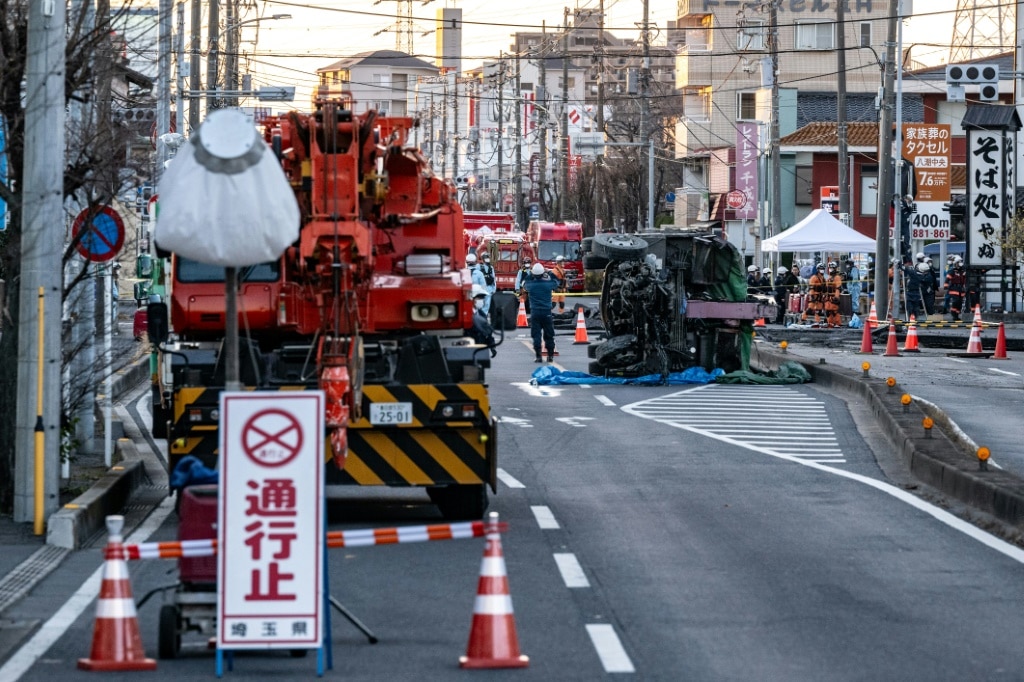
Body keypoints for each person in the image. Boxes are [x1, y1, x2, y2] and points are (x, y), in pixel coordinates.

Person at [523, 262, 560, 362]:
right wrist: (549, 273)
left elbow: (524, 283)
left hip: (535, 312)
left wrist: (531, 274)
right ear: (542, 273)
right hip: (546, 312)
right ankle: (550, 356)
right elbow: (557, 282)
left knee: (536, 335)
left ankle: (538, 356)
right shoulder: (548, 284)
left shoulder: (531, 285)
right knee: (549, 334)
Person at [468, 284, 498, 357]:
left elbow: (487, 334)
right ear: (472, 298)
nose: (482, 300)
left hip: (480, 351)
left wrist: (492, 346)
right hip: (467, 351)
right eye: (479, 297)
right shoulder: (466, 315)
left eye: (483, 297)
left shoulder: (482, 315)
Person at [823, 261, 844, 327]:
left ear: (835, 269)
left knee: (834, 311)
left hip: (833, 297)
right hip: (828, 298)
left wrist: (836, 297)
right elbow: (826, 288)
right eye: (830, 268)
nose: (830, 269)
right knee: (828, 312)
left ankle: (837, 323)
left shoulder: (837, 278)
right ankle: (830, 323)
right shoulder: (829, 278)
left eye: (832, 268)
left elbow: (838, 288)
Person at [478, 252, 496, 317]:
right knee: (480, 304)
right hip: (481, 289)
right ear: (483, 259)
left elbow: (493, 278)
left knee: (487, 304)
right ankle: (480, 316)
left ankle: (484, 317)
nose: (487, 259)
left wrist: (494, 288)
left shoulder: (491, 268)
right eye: (486, 258)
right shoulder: (479, 267)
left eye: (488, 258)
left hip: (489, 289)